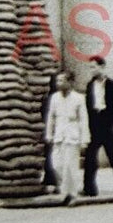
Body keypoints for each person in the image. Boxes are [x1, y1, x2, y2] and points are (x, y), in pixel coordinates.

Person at [82, 56, 113, 197]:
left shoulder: (112, 85)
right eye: (90, 67)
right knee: (90, 157)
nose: (92, 70)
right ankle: (89, 188)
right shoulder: (90, 85)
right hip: (95, 122)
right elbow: (88, 105)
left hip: (108, 122)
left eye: (94, 67)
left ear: (102, 67)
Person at [44, 69, 90, 206]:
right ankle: (65, 190)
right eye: (57, 81)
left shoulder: (79, 98)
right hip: (59, 134)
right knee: (57, 164)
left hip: (72, 135)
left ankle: (71, 194)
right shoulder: (54, 98)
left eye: (62, 80)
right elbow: (50, 117)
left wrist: (84, 140)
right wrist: (48, 133)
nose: (59, 83)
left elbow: (83, 119)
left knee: (70, 167)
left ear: (70, 82)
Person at [40, 73, 59, 195]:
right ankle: (54, 180)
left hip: (50, 130)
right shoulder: (55, 98)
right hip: (55, 130)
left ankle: (50, 180)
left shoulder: (47, 98)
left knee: (50, 157)